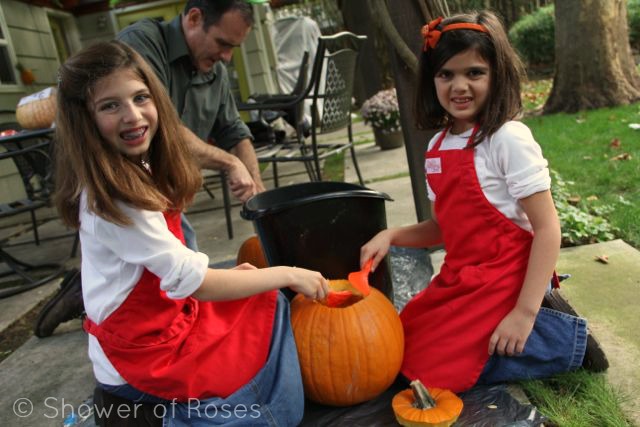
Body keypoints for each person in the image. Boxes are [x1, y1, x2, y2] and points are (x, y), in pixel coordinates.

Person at [53, 40, 328, 424]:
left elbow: (172, 271)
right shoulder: (116, 200)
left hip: (162, 318)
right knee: (272, 406)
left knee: (258, 301)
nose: (132, 116)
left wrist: (238, 277)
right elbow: (193, 280)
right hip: (144, 353)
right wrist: (288, 274)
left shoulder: (132, 168)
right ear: (85, 120)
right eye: (110, 106)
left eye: (140, 97)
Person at [359, 11, 607, 393]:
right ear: (432, 80)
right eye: (446, 74)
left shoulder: (506, 139)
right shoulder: (438, 147)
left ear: (497, 75)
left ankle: (558, 339)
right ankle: (507, 339)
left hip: (506, 278)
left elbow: (547, 228)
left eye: (474, 72)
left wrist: (522, 314)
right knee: (405, 337)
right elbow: (443, 229)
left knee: (431, 370)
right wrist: (391, 236)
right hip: (463, 277)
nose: (460, 86)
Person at [35, 0, 268, 337]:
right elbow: (161, 124)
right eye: (223, 43)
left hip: (161, 184)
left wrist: (256, 190)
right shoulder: (142, 45)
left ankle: (96, 281)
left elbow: (234, 130)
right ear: (194, 18)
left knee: (174, 265)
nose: (227, 57)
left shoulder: (213, 70)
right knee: (180, 266)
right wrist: (229, 162)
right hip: (127, 178)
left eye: (235, 47)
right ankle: (89, 288)